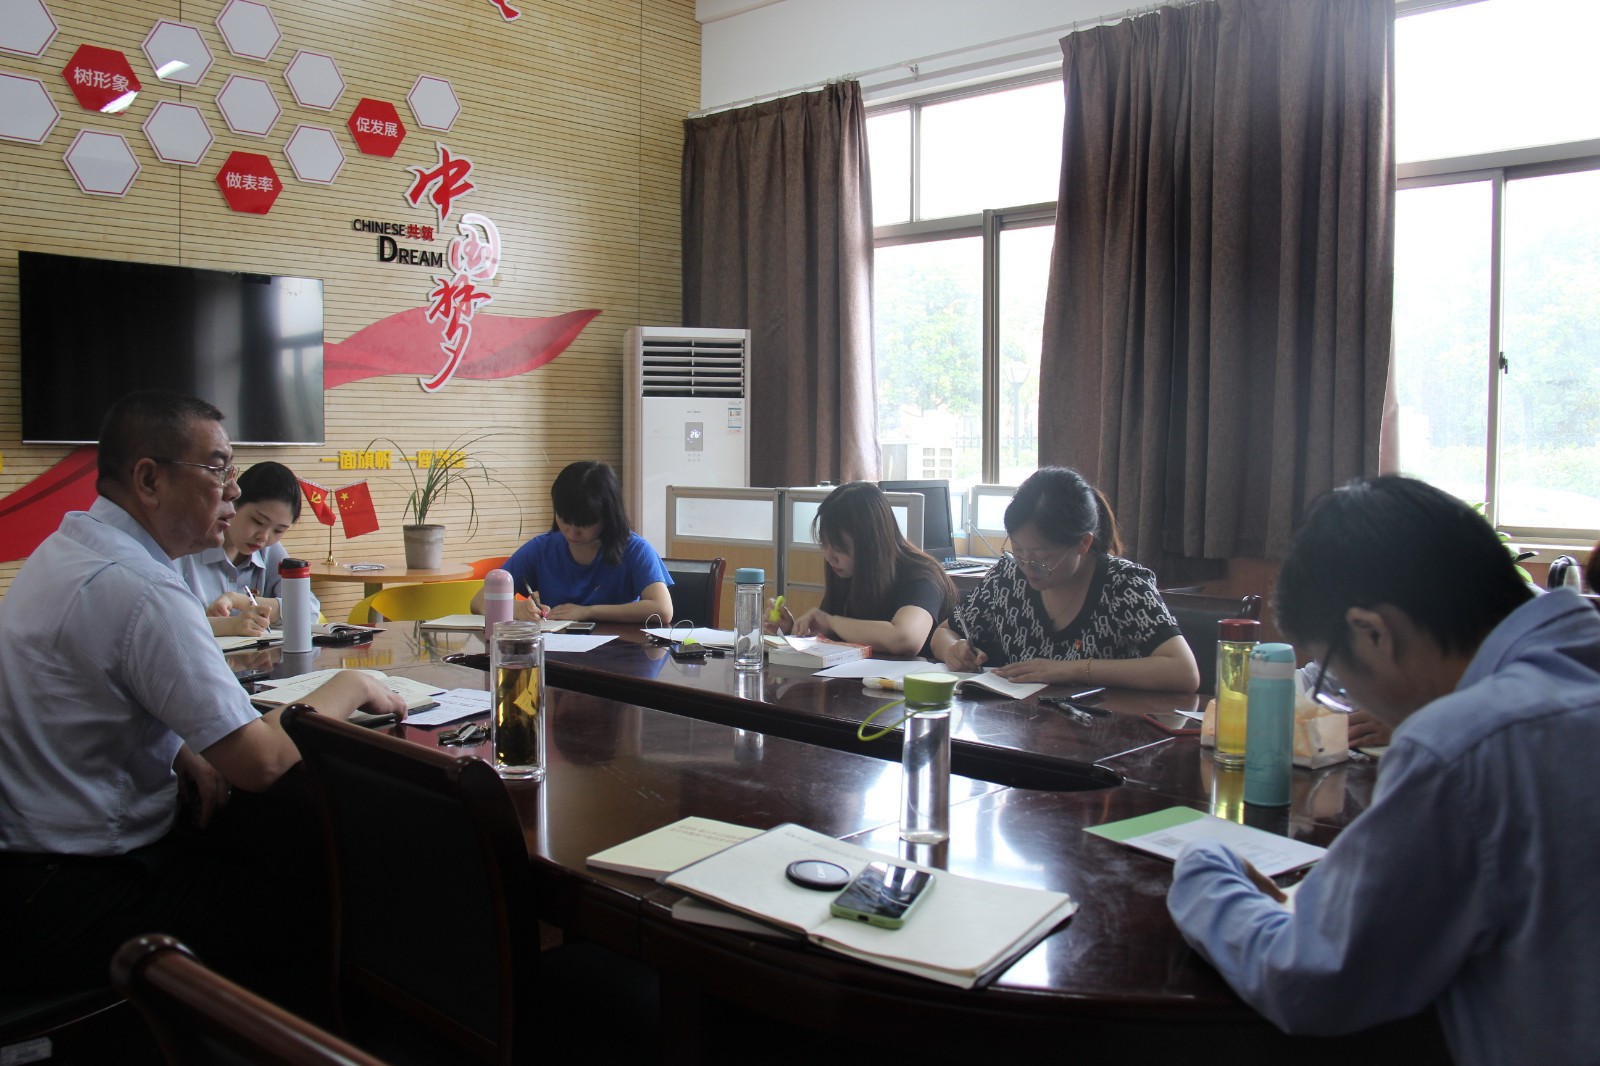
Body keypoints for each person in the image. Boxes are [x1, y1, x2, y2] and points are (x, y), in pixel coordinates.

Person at [1166, 476, 1600, 1064]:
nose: (1342, 697)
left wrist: (1203, 869)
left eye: (1332, 678)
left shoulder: (1462, 748)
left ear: (1373, 632)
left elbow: (1309, 980)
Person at [0, 391, 406, 997]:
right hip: (79, 888)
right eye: (217, 469)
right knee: (315, 883)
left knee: (267, 838)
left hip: (25, 866)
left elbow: (92, 697)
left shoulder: (67, 548)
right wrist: (350, 683)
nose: (233, 491)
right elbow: (259, 763)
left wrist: (178, 746)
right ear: (149, 479)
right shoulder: (145, 588)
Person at [929, 467, 1199, 692]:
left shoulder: (1125, 585)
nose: (1027, 567)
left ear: (1083, 544)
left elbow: (1184, 672)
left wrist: (1071, 670)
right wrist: (953, 649)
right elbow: (944, 632)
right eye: (1018, 551)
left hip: (1104, 729)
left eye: (1041, 556)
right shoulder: (1007, 578)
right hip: (1020, 726)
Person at [767, 481, 956, 658]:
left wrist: (831, 622)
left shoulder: (922, 575)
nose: (829, 556)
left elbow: (905, 639)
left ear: (870, 544)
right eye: (825, 544)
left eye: (840, 547)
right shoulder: (847, 572)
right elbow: (835, 639)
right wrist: (793, 631)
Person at [472, 460, 673, 624]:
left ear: (607, 517)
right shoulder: (541, 548)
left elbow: (662, 610)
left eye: (584, 524)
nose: (572, 532)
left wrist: (588, 612)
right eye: (564, 520)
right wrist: (517, 608)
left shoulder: (635, 549)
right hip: (557, 652)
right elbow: (478, 601)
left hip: (621, 652)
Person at [178, 460, 320, 636]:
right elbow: (167, 622)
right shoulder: (185, 547)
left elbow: (309, 611)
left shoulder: (270, 550)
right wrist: (231, 625)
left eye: (278, 530)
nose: (264, 536)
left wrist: (239, 600)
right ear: (233, 503)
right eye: (257, 521)